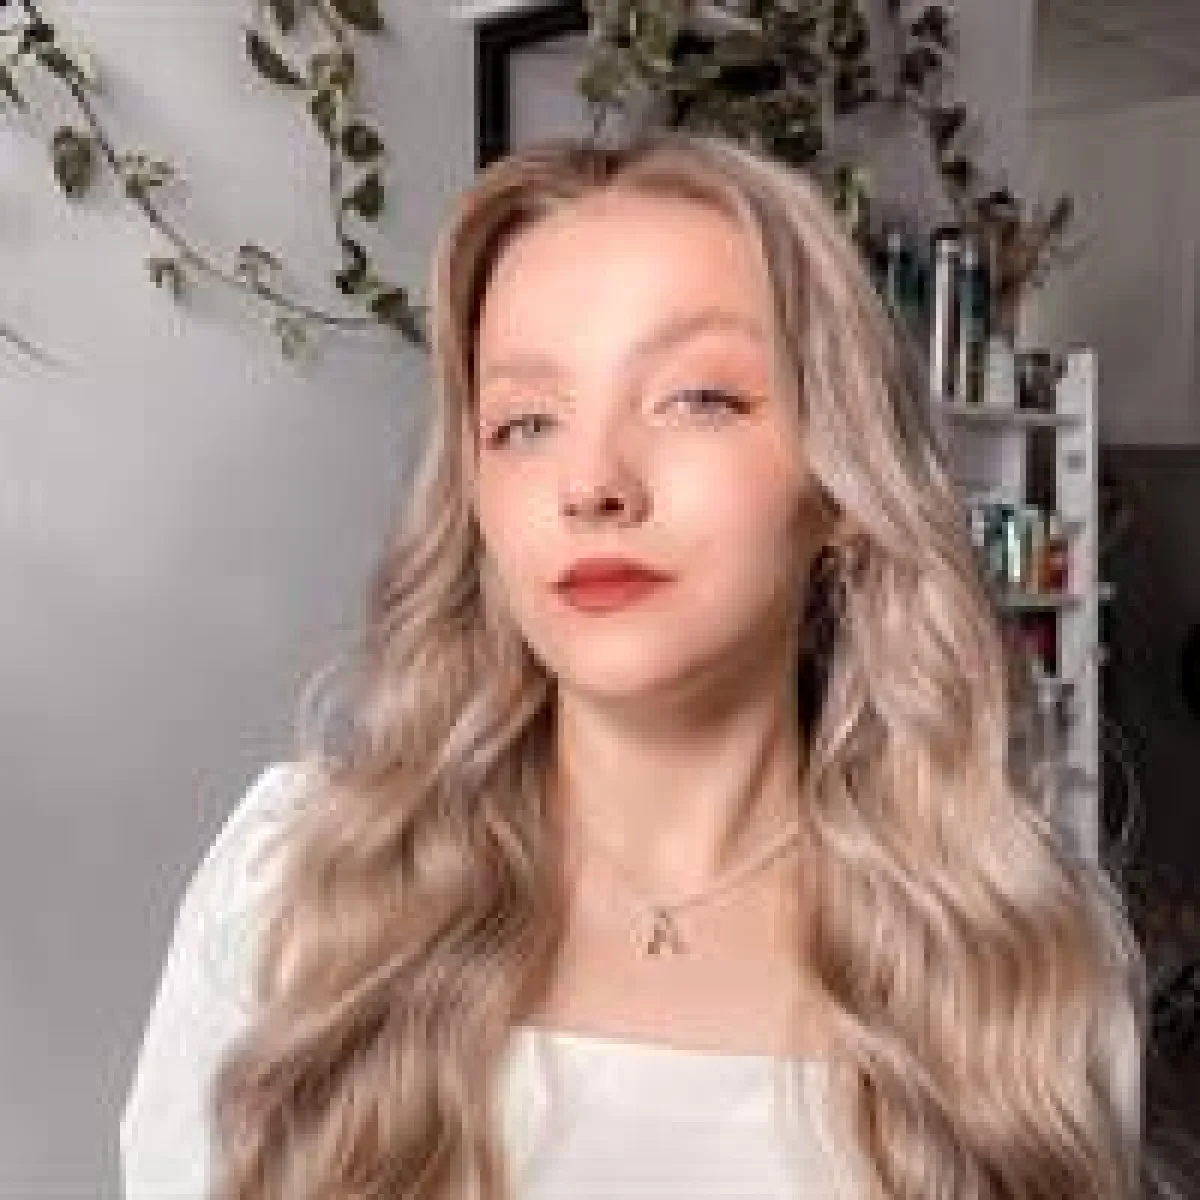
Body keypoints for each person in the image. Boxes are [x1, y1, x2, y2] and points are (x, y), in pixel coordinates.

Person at [120, 127, 1158, 1198]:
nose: (592, 484)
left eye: (697, 399)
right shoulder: (294, 889)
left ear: (841, 485)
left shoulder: (1017, 961)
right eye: (526, 423)